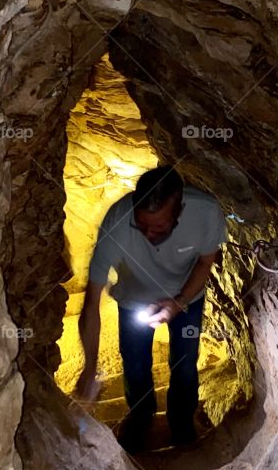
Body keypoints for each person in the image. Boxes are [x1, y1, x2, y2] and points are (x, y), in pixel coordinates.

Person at [74, 165, 226, 452]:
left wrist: (179, 302)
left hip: (187, 298)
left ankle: (181, 422)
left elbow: (206, 262)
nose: (148, 235)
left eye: (158, 228)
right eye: (141, 226)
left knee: (184, 364)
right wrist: (90, 368)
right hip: (134, 299)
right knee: (134, 363)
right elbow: (91, 302)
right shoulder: (117, 222)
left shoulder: (205, 212)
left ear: (178, 211)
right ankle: (140, 417)